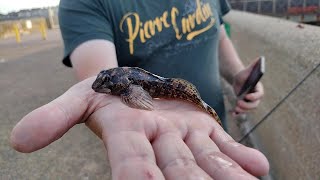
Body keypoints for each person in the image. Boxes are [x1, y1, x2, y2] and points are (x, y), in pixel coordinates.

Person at [10, 0, 269, 179]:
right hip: (158, 146)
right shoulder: (82, 5)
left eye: (108, 84)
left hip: (213, 131)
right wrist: (107, 101)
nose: (103, 86)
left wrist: (238, 75)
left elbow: (218, 32)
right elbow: (96, 68)